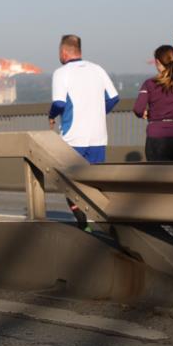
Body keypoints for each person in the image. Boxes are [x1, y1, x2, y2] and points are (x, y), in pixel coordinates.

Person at [48, 34, 119, 231]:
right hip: (98, 136)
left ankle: (83, 221)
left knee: (69, 182)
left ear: (63, 52)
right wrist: (97, 112)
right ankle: (104, 221)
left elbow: (59, 103)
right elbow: (114, 98)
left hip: (73, 137)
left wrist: (51, 115)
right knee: (95, 182)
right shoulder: (98, 69)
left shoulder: (61, 73)